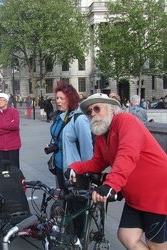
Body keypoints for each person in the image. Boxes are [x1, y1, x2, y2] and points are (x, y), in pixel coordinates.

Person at [66, 93, 167, 250]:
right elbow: (98, 161)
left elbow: (128, 153)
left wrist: (110, 185)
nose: (93, 113)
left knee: (155, 245)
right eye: (89, 112)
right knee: (127, 236)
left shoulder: (126, 122)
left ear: (112, 110)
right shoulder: (102, 134)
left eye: (97, 108)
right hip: (135, 197)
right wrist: (75, 167)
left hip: (157, 193)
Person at [47, 81, 93, 238]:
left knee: (77, 207)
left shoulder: (79, 119)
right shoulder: (61, 116)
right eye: (57, 98)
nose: (58, 101)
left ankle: (79, 238)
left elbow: (87, 149)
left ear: (71, 99)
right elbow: (60, 137)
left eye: (62, 98)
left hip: (76, 171)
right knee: (66, 202)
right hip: (61, 168)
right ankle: (70, 233)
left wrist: (87, 172)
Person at [0, 93, 21, 168]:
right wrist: (9, 129)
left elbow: (15, 125)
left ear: (6, 101)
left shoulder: (14, 112)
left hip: (13, 146)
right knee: (3, 171)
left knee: (14, 170)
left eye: (1, 100)